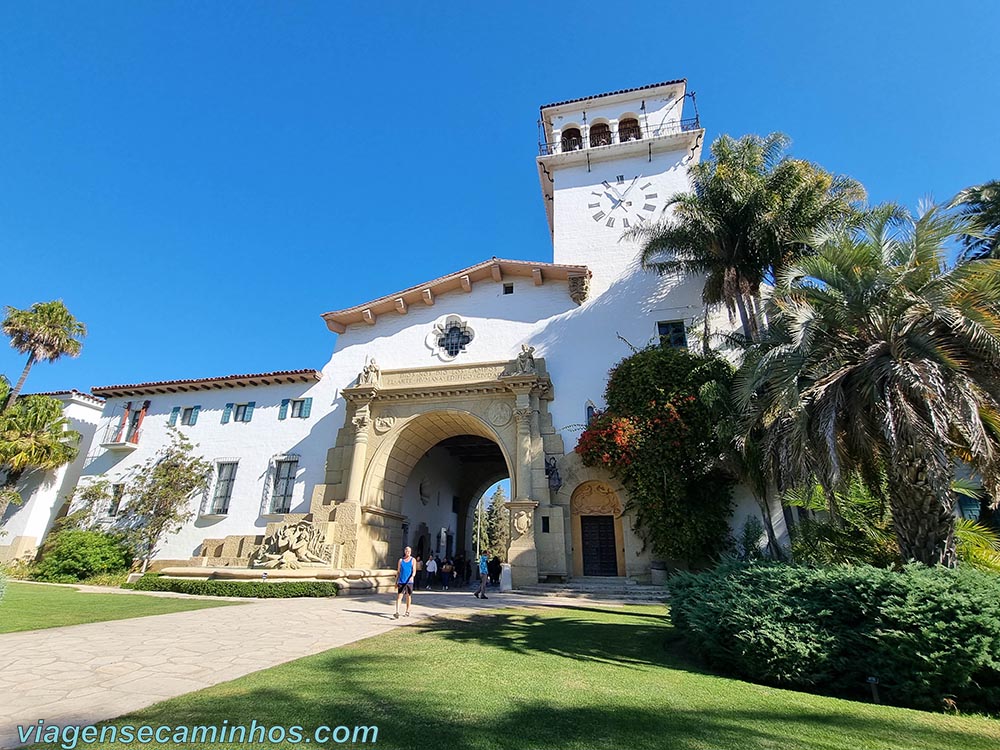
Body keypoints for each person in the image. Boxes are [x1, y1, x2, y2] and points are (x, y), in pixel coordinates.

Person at [394, 546, 416, 619]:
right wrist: (396, 581)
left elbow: (414, 570)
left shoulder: (413, 560)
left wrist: (412, 575)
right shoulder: (401, 560)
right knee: (399, 596)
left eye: (409, 551)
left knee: (408, 596)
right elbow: (398, 571)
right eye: (406, 551)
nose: (408, 552)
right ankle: (397, 611)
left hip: (409, 581)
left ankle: (407, 610)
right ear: (404, 552)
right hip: (401, 580)